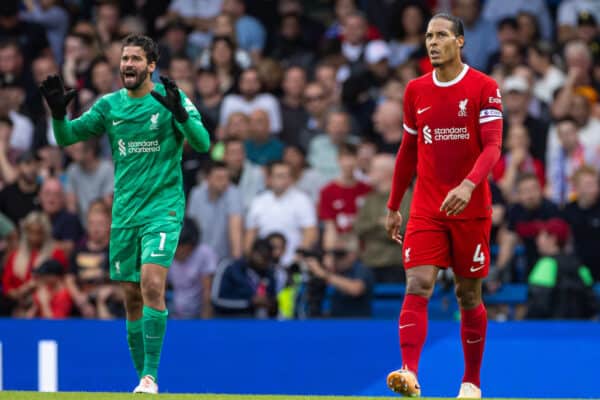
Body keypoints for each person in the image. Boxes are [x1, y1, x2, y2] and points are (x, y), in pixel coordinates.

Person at [39, 34, 210, 394]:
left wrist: (181, 115)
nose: (127, 64)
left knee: (151, 283)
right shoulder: (109, 106)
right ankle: (142, 381)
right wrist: (57, 114)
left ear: (151, 65)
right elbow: (67, 137)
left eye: (135, 59)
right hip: (125, 215)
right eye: (124, 58)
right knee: (131, 299)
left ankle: (151, 376)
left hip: (162, 210)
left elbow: (203, 143)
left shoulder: (169, 101)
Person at [384, 14, 503, 398]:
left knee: (468, 296)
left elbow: (492, 147)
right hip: (427, 207)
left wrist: (469, 186)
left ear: (460, 42)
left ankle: (471, 382)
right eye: (428, 36)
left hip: (470, 209)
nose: (432, 42)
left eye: (441, 35)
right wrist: (393, 203)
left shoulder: (484, 87)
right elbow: (407, 152)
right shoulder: (415, 91)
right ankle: (409, 372)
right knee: (417, 283)